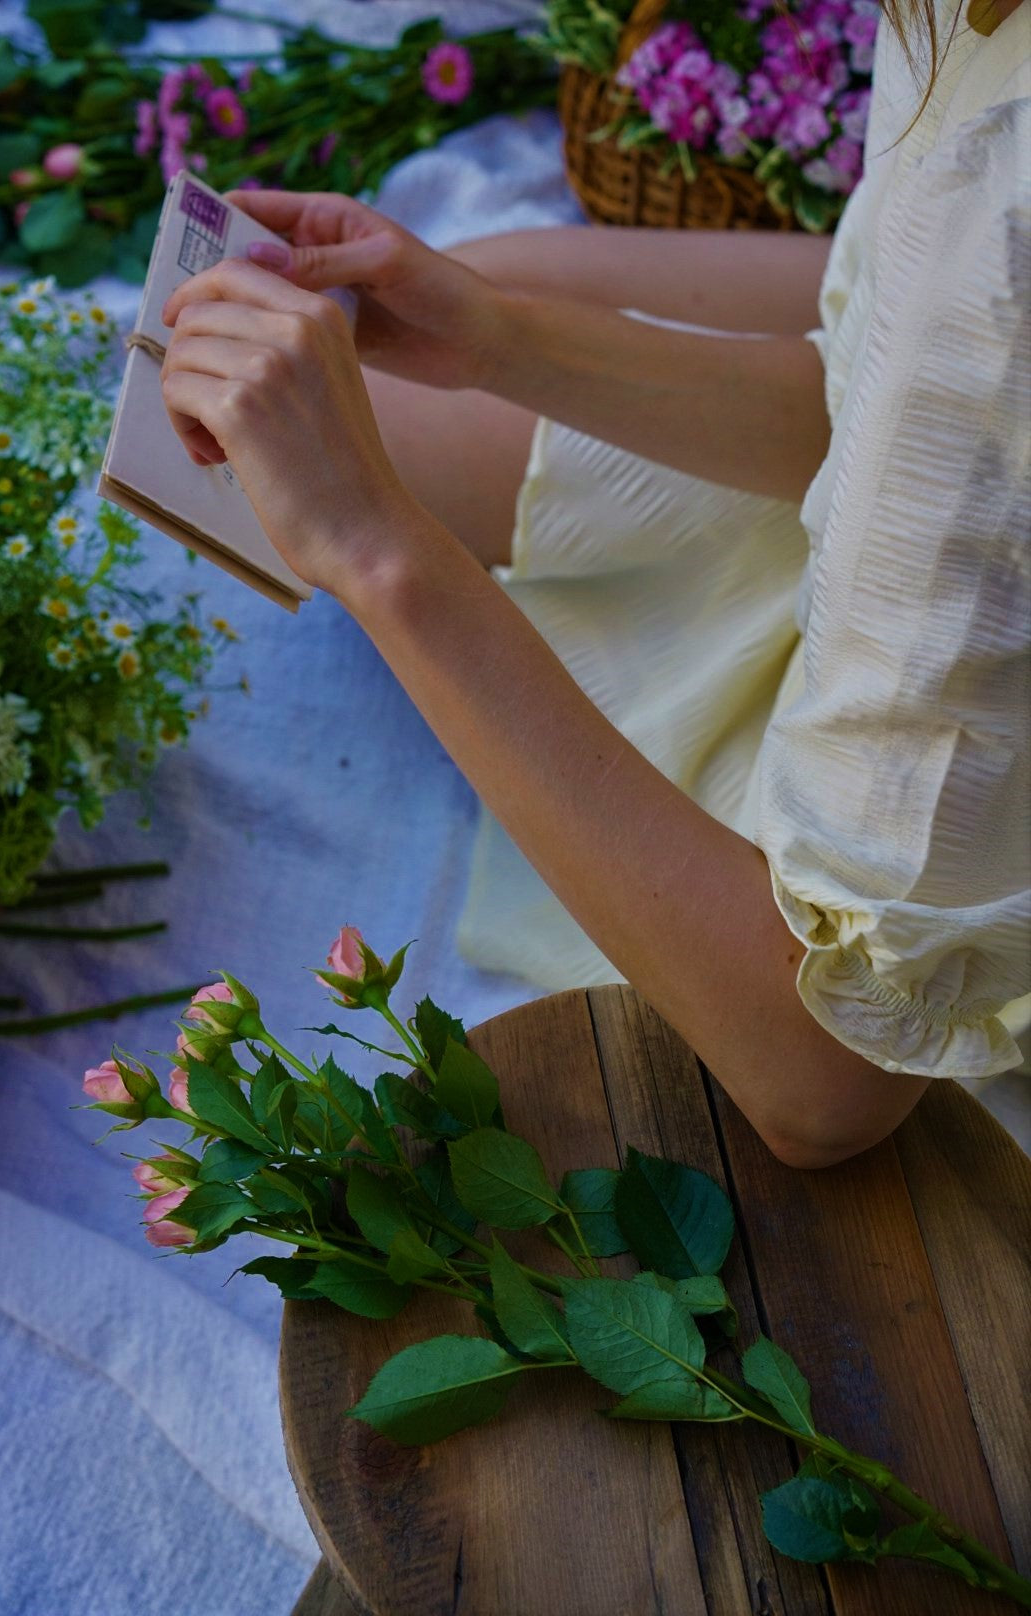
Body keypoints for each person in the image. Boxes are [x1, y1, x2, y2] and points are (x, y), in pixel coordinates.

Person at [157, 0, 1030, 1169]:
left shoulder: (1003, 225)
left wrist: (374, 547)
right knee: (459, 318)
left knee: (359, 436)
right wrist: (496, 336)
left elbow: (830, 1074)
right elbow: (878, 407)